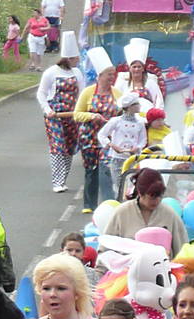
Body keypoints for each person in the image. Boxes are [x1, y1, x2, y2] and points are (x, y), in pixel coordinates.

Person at [74, 47, 120, 212]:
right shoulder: (87, 93)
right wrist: (92, 116)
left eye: (113, 76)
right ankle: (89, 204)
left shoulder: (117, 93)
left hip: (109, 138)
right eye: (109, 75)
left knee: (108, 170)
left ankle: (109, 203)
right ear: (100, 76)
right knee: (91, 169)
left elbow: (123, 112)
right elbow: (77, 114)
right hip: (89, 137)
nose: (111, 79)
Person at [37, 32, 83, 194]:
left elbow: (82, 93)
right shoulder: (51, 72)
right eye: (76, 58)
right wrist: (48, 110)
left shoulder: (77, 73)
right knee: (58, 146)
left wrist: (81, 111)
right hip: (55, 116)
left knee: (70, 147)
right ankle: (56, 181)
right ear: (68, 58)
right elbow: (41, 93)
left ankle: (63, 179)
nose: (78, 60)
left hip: (72, 115)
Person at [103, 168, 188, 256]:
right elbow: (105, 250)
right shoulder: (121, 213)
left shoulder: (170, 215)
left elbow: (183, 252)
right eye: (152, 196)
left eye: (160, 196)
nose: (157, 200)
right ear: (140, 192)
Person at [98, 93, 147, 195]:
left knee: (132, 186)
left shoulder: (140, 123)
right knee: (119, 185)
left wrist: (137, 148)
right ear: (129, 107)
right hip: (117, 157)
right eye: (136, 104)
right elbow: (102, 134)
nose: (139, 106)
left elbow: (143, 140)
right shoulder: (116, 121)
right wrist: (111, 145)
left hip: (133, 158)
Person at [114, 38, 164, 109]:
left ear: (143, 68)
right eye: (134, 67)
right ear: (130, 68)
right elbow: (116, 100)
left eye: (139, 67)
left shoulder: (150, 82)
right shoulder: (122, 81)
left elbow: (159, 102)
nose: (136, 69)